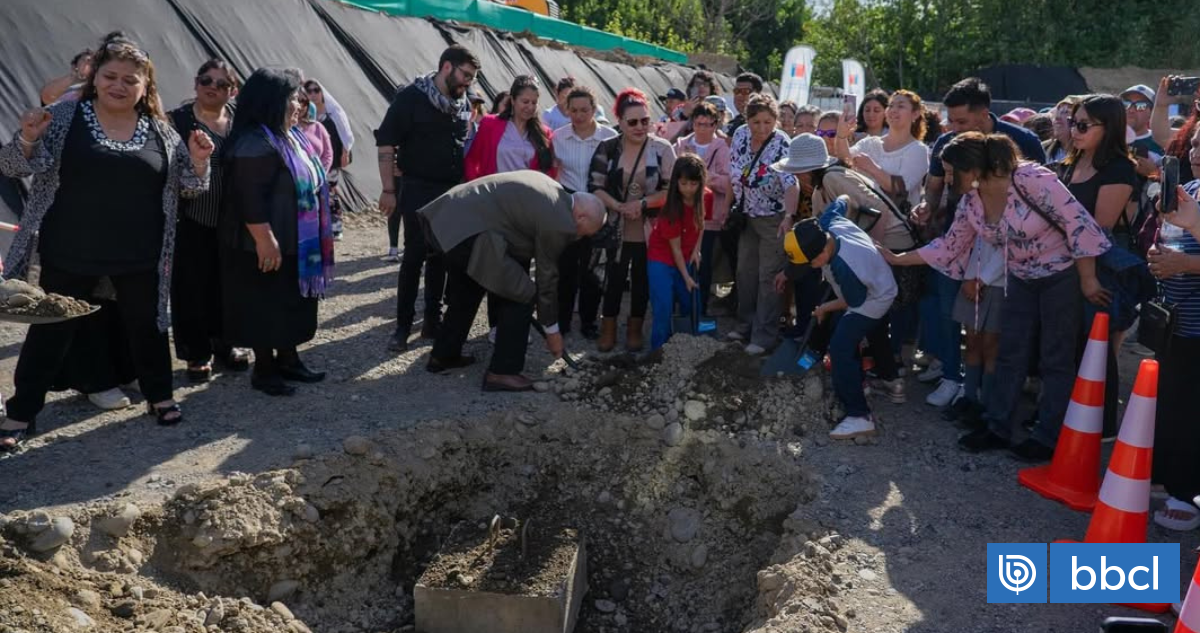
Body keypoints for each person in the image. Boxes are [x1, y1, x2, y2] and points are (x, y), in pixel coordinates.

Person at [0, 40, 213, 446]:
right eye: (110, 76)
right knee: (51, 330)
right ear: (94, 78)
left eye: (130, 80)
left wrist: (200, 161)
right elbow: (11, 166)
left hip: (141, 253)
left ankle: (159, 395)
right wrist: (27, 138)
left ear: (145, 86)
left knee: (147, 325)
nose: (119, 85)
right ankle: (21, 413)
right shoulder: (63, 117)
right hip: (69, 251)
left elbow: (190, 187)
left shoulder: (162, 131)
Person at [882, 133, 1111, 462]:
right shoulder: (971, 201)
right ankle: (998, 426)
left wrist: (1088, 279)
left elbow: (1078, 224)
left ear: (973, 168)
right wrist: (897, 258)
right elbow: (949, 246)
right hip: (1019, 277)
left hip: (1061, 276)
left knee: (1055, 358)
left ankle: (1048, 437)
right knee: (1009, 353)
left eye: (952, 172)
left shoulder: (1030, 178)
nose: (947, 179)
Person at [915, 77, 1048, 405]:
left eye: (961, 121)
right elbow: (934, 186)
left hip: (1006, 252)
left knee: (994, 329)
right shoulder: (946, 142)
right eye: (950, 120)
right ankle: (952, 376)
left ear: (985, 114)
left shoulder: (1023, 141)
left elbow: (1039, 198)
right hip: (956, 238)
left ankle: (994, 393)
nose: (953, 128)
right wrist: (927, 207)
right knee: (950, 310)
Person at [421, 171, 606, 391]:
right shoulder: (561, 219)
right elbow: (546, 279)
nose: (579, 237)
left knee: (469, 287)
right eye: (584, 232)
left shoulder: (551, 190)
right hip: (470, 230)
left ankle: (444, 355)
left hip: (448, 219)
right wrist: (552, 331)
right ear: (581, 217)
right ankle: (502, 372)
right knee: (523, 293)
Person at [220, 67, 334, 397]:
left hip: (296, 239)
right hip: (262, 242)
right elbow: (249, 196)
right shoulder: (254, 143)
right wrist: (264, 239)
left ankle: (289, 359)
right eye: (292, 98)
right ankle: (265, 369)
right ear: (271, 101)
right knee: (265, 304)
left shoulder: (290, 135)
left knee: (289, 302)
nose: (299, 104)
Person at [375, 45, 479, 352]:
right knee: (414, 257)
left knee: (441, 257)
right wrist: (388, 190)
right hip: (418, 188)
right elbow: (386, 143)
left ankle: (432, 321)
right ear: (447, 67)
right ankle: (402, 327)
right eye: (465, 75)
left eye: (471, 78)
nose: (468, 83)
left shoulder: (462, 101)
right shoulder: (411, 98)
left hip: (450, 190)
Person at [778, 198, 899, 439]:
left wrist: (824, 307)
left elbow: (854, 302)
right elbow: (842, 200)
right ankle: (868, 381)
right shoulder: (826, 223)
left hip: (875, 297)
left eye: (812, 263)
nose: (812, 267)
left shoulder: (846, 266)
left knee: (840, 347)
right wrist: (851, 202)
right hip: (870, 279)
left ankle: (859, 416)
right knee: (847, 333)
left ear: (823, 251)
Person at [1059, 94, 1140, 437]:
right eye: (1072, 123)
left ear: (1109, 128)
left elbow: (1097, 229)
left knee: (1095, 347)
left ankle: (1101, 426)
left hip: (1100, 268)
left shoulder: (1119, 169)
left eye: (1082, 125)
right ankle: (1066, 419)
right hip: (1067, 265)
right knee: (1068, 344)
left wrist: (1088, 277)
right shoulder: (1071, 162)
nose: (1073, 131)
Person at [168, 59, 251, 383]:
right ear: (196, 83)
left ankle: (227, 343)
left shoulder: (241, 121)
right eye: (206, 80)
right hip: (190, 216)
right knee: (191, 287)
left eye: (221, 84)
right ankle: (196, 352)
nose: (212, 87)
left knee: (229, 284)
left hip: (234, 219)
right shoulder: (177, 121)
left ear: (233, 90)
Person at [588, 88, 676, 352]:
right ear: (620, 122)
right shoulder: (608, 148)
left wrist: (642, 204)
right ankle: (608, 327)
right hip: (616, 226)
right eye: (633, 122)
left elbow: (671, 189)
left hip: (649, 229)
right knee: (613, 280)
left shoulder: (662, 149)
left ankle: (635, 329)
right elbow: (594, 185)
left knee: (641, 280)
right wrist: (619, 206)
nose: (640, 127)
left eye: (645, 121)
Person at [727, 94, 799, 354]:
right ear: (747, 120)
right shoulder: (740, 135)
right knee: (745, 273)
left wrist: (789, 216)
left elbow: (791, 183)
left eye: (768, 122)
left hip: (773, 218)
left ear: (775, 120)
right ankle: (744, 325)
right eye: (756, 122)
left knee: (769, 276)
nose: (761, 128)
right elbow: (733, 172)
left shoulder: (782, 144)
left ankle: (764, 335)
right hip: (746, 216)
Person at [1148, 177, 1200, 531]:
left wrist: (1185, 263)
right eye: (1193, 147)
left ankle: (1186, 491)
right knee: (1172, 405)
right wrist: (1159, 256)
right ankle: (1167, 478)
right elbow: (1167, 238)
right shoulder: (1190, 189)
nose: (1195, 152)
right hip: (1176, 321)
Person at [552, 85, 617, 339]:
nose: (579, 115)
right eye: (574, 110)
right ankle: (562, 321)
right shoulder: (558, 137)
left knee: (593, 271)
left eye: (584, 110)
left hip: (600, 209)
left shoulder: (609, 137)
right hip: (569, 210)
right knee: (565, 268)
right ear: (566, 110)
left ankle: (589, 322)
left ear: (594, 109)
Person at [647, 154, 710, 350]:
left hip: (687, 254)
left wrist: (697, 249)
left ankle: (690, 345)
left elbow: (702, 222)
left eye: (693, 184)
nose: (688, 189)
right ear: (676, 182)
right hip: (662, 258)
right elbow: (674, 249)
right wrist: (686, 277)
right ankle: (659, 350)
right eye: (683, 184)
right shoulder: (671, 209)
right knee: (663, 305)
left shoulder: (706, 197)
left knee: (692, 303)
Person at [674, 102, 731, 315]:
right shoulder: (682, 145)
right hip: (682, 214)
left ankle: (700, 308)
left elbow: (729, 183)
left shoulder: (722, 148)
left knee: (703, 264)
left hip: (709, 217)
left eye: (708, 124)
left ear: (715, 125)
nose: (703, 129)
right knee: (679, 259)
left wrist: (704, 177)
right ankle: (681, 307)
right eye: (699, 124)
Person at [464, 75, 556, 181]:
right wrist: (477, 186)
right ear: (513, 100)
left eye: (534, 103)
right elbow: (472, 160)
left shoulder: (545, 133)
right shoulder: (489, 124)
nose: (530, 107)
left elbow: (550, 170)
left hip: (526, 190)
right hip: (493, 189)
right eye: (525, 102)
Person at [303, 79, 354, 240]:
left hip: (331, 159)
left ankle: (336, 227)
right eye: (309, 91)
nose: (313, 94)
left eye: (316, 90)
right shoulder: (306, 113)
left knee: (330, 191)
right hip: (312, 160)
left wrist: (345, 153)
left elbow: (345, 134)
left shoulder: (333, 111)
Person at [296, 88, 333, 171]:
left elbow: (328, 156)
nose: (301, 105)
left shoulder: (318, 127)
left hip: (315, 175)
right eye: (298, 100)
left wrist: (317, 174)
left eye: (304, 102)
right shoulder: (287, 124)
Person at [725, 72, 762, 138]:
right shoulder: (731, 125)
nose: (739, 95)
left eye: (746, 91)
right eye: (737, 91)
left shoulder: (764, 123)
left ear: (757, 94)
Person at [1044, 97, 1080, 164]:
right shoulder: (1043, 148)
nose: (1057, 117)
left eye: (1066, 112)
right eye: (1057, 111)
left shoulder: (1086, 155)